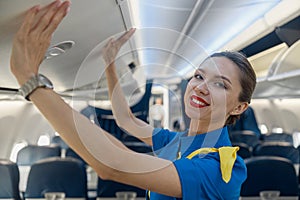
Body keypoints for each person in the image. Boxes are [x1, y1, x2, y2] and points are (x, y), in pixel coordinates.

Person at [10, 1, 256, 199]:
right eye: (199, 76)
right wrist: (110, 67)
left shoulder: (222, 168)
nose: (201, 87)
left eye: (220, 84)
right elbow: (126, 121)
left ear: (239, 106)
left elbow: (112, 165)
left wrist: (30, 80)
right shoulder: (176, 142)